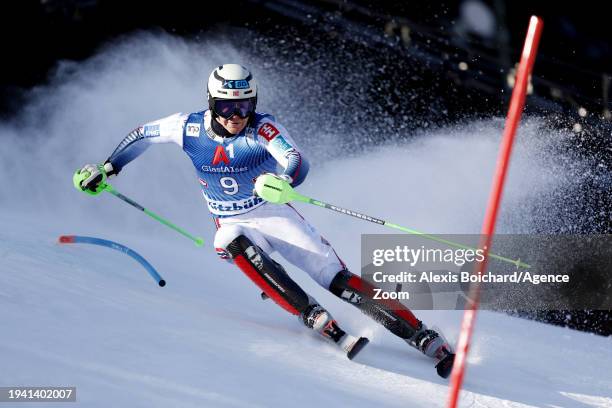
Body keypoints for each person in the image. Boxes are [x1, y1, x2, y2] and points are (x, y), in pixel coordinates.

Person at [73, 64, 455, 377]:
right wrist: (108, 168)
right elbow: (142, 134)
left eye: (245, 107)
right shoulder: (186, 127)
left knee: (336, 279)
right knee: (226, 240)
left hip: (272, 212)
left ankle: (422, 335)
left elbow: (296, 160)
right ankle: (312, 315)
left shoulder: (262, 127)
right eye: (226, 108)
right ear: (212, 104)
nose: (237, 117)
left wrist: (285, 180)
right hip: (232, 221)